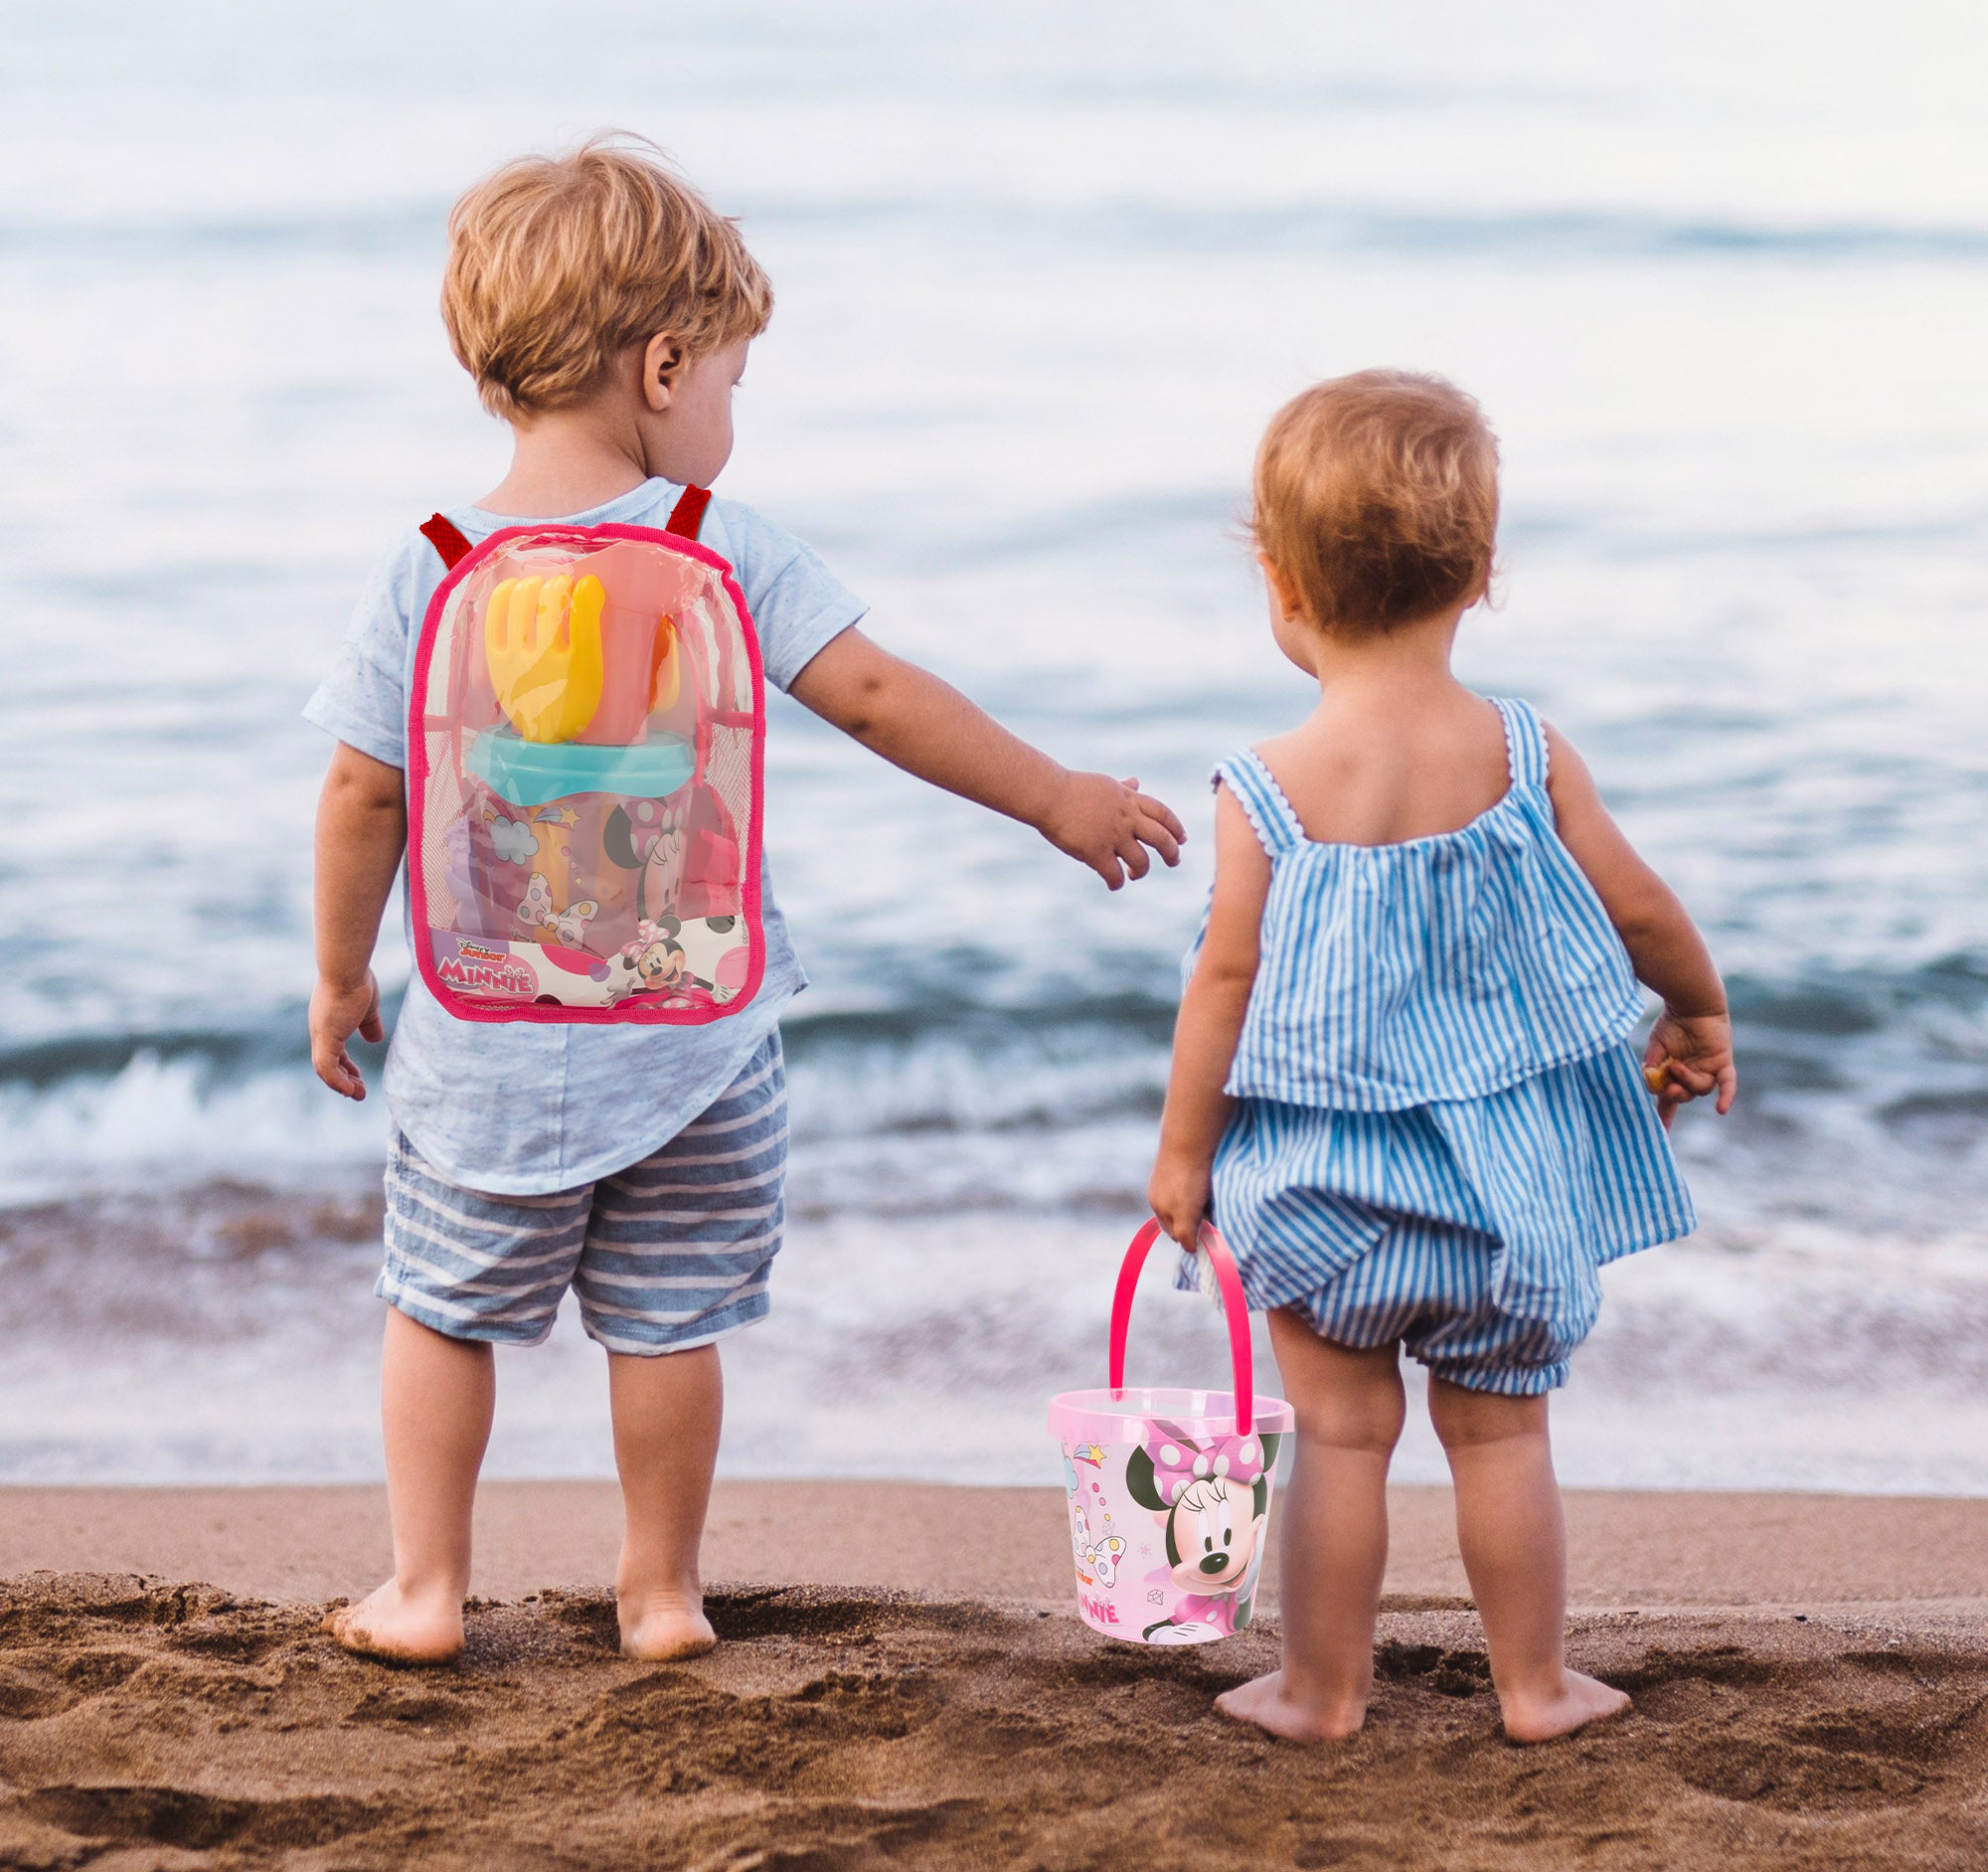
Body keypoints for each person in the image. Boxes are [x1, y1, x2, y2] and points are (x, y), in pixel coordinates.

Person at [305, 136, 1185, 1668]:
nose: (728, 411)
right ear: (659, 367)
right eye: (726, 377)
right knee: (664, 1325)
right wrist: (1059, 798)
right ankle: (659, 1594)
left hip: (485, 1045)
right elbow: (879, 697)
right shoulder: (720, 547)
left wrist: (338, 975)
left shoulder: (431, 565)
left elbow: (364, 793)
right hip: (695, 1045)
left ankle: (426, 1588)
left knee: (443, 1311)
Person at [1147, 371, 1735, 1744]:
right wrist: (1697, 1014)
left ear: (1280, 584)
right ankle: (1535, 1688)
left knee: (1343, 1439)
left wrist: (1183, 1155)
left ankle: (1321, 1688)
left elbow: (1220, 987)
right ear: (1480, 575)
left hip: (1326, 1196)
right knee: (1501, 1438)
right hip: (1507, 1196)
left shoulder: (1266, 790)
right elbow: (1640, 908)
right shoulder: (1524, 755)